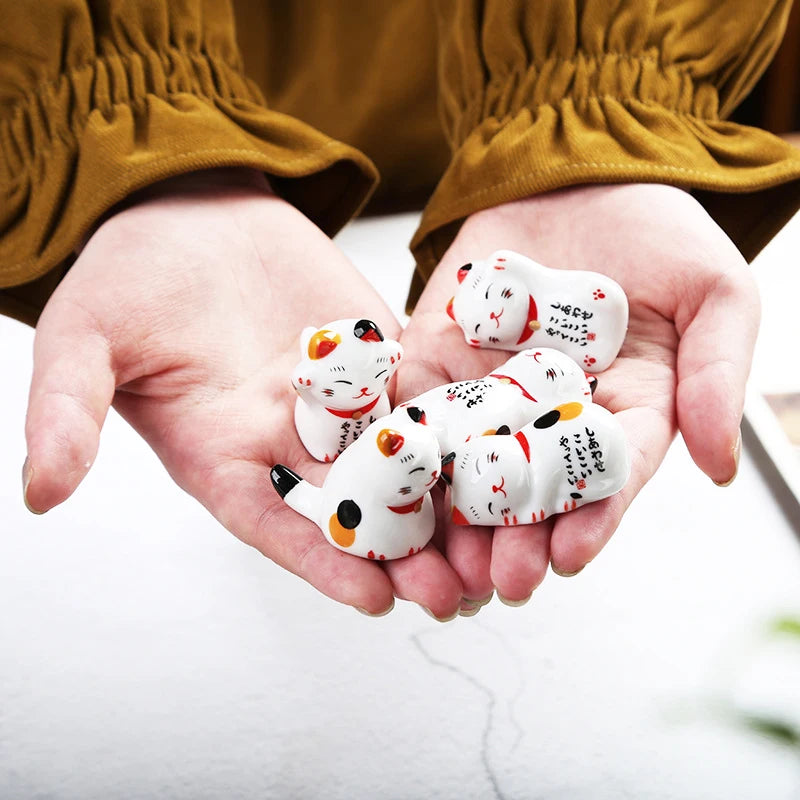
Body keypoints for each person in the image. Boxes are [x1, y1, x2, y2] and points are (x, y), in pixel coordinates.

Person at [2, 1, 798, 620]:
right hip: (249, 96)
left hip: (528, 98)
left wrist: (593, 128)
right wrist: (149, 159)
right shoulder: (374, 426)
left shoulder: (491, 397)